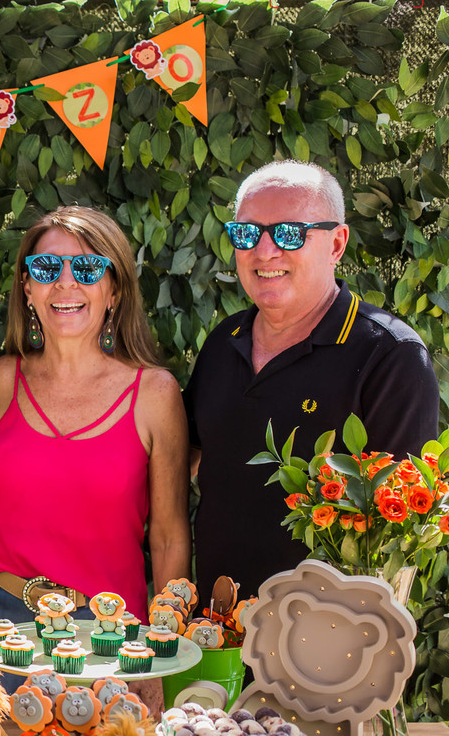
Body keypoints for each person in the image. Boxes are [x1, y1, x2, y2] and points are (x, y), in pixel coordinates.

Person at [0, 206, 190, 642]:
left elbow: (168, 539)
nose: (65, 282)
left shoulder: (154, 394)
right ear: (28, 288)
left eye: (87, 268)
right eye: (47, 267)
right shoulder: (5, 379)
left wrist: (166, 643)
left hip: (108, 625)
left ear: (114, 290)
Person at [185, 160, 440, 601]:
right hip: (214, 622)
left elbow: (399, 536)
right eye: (247, 234)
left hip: (328, 634)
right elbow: (185, 460)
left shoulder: (389, 356)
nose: (264, 251)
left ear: (337, 243)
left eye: (289, 233)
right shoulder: (223, 343)